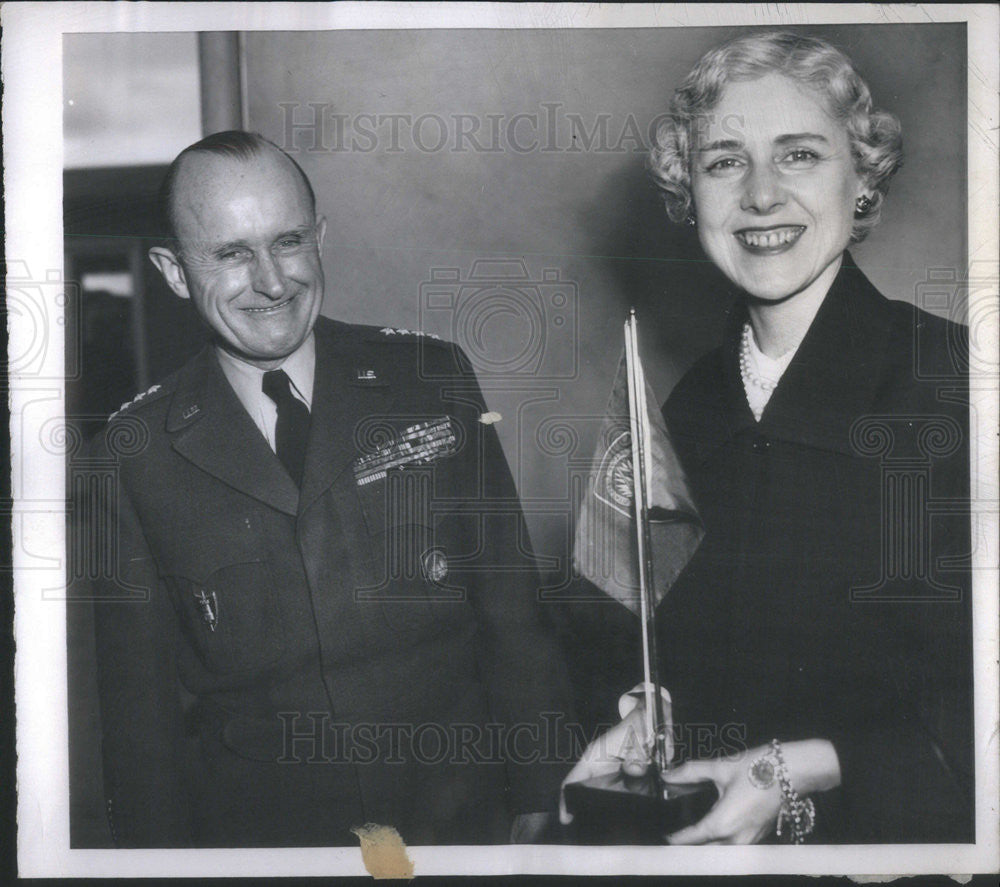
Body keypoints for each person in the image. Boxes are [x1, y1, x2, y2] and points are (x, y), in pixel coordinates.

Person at [85, 131, 573, 847]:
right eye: (230, 254)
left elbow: (513, 615)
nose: (272, 281)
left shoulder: (427, 379)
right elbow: (141, 731)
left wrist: (541, 790)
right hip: (271, 844)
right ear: (174, 270)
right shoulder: (132, 455)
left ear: (321, 237)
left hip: (462, 824)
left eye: (287, 241)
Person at [561, 32, 973, 844]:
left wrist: (806, 764)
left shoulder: (961, 386)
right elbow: (653, 642)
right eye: (723, 162)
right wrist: (647, 717)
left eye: (799, 155)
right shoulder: (684, 413)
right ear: (689, 193)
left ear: (862, 178)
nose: (758, 196)